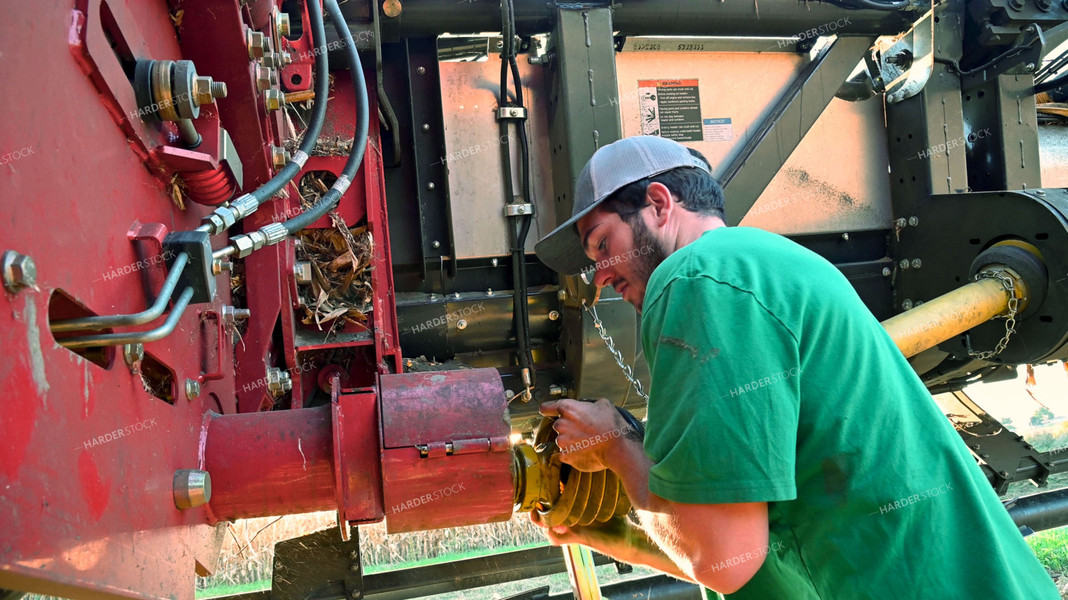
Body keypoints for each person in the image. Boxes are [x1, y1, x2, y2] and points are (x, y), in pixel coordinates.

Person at [530, 135, 1059, 599]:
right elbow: (753, 549)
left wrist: (618, 444)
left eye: (603, 245)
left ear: (659, 204)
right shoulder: (759, 267)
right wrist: (606, 532)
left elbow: (719, 556)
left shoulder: (696, 279)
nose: (599, 278)